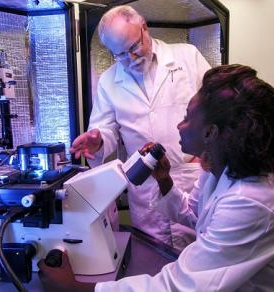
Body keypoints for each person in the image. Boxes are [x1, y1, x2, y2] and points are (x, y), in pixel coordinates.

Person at [39, 64, 274, 291]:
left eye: (187, 118)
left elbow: (179, 287)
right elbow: (195, 214)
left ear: (211, 133)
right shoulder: (222, 170)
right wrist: (164, 179)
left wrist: (78, 289)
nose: (179, 125)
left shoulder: (254, 201)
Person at [69, 5, 211, 250]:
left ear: (144, 27)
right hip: (145, 188)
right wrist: (98, 140)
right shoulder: (109, 81)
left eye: (134, 47)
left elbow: (215, 106)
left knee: (199, 256)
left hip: (191, 176)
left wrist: (206, 156)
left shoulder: (187, 56)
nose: (131, 59)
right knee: (154, 258)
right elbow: (105, 129)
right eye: (121, 55)